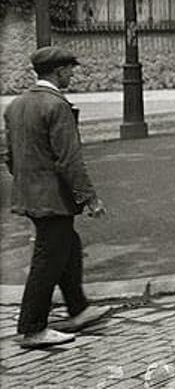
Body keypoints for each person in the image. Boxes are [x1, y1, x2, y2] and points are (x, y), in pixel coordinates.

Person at [2, 46, 110, 348]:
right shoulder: (57, 106)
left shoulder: (15, 105)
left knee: (68, 248)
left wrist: (30, 182)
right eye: (69, 70)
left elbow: (9, 156)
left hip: (30, 195)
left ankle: (79, 309)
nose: (72, 74)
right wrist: (90, 198)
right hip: (53, 198)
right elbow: (69, 159)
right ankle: (33, 328)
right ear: (59, 71)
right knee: (48, 260)